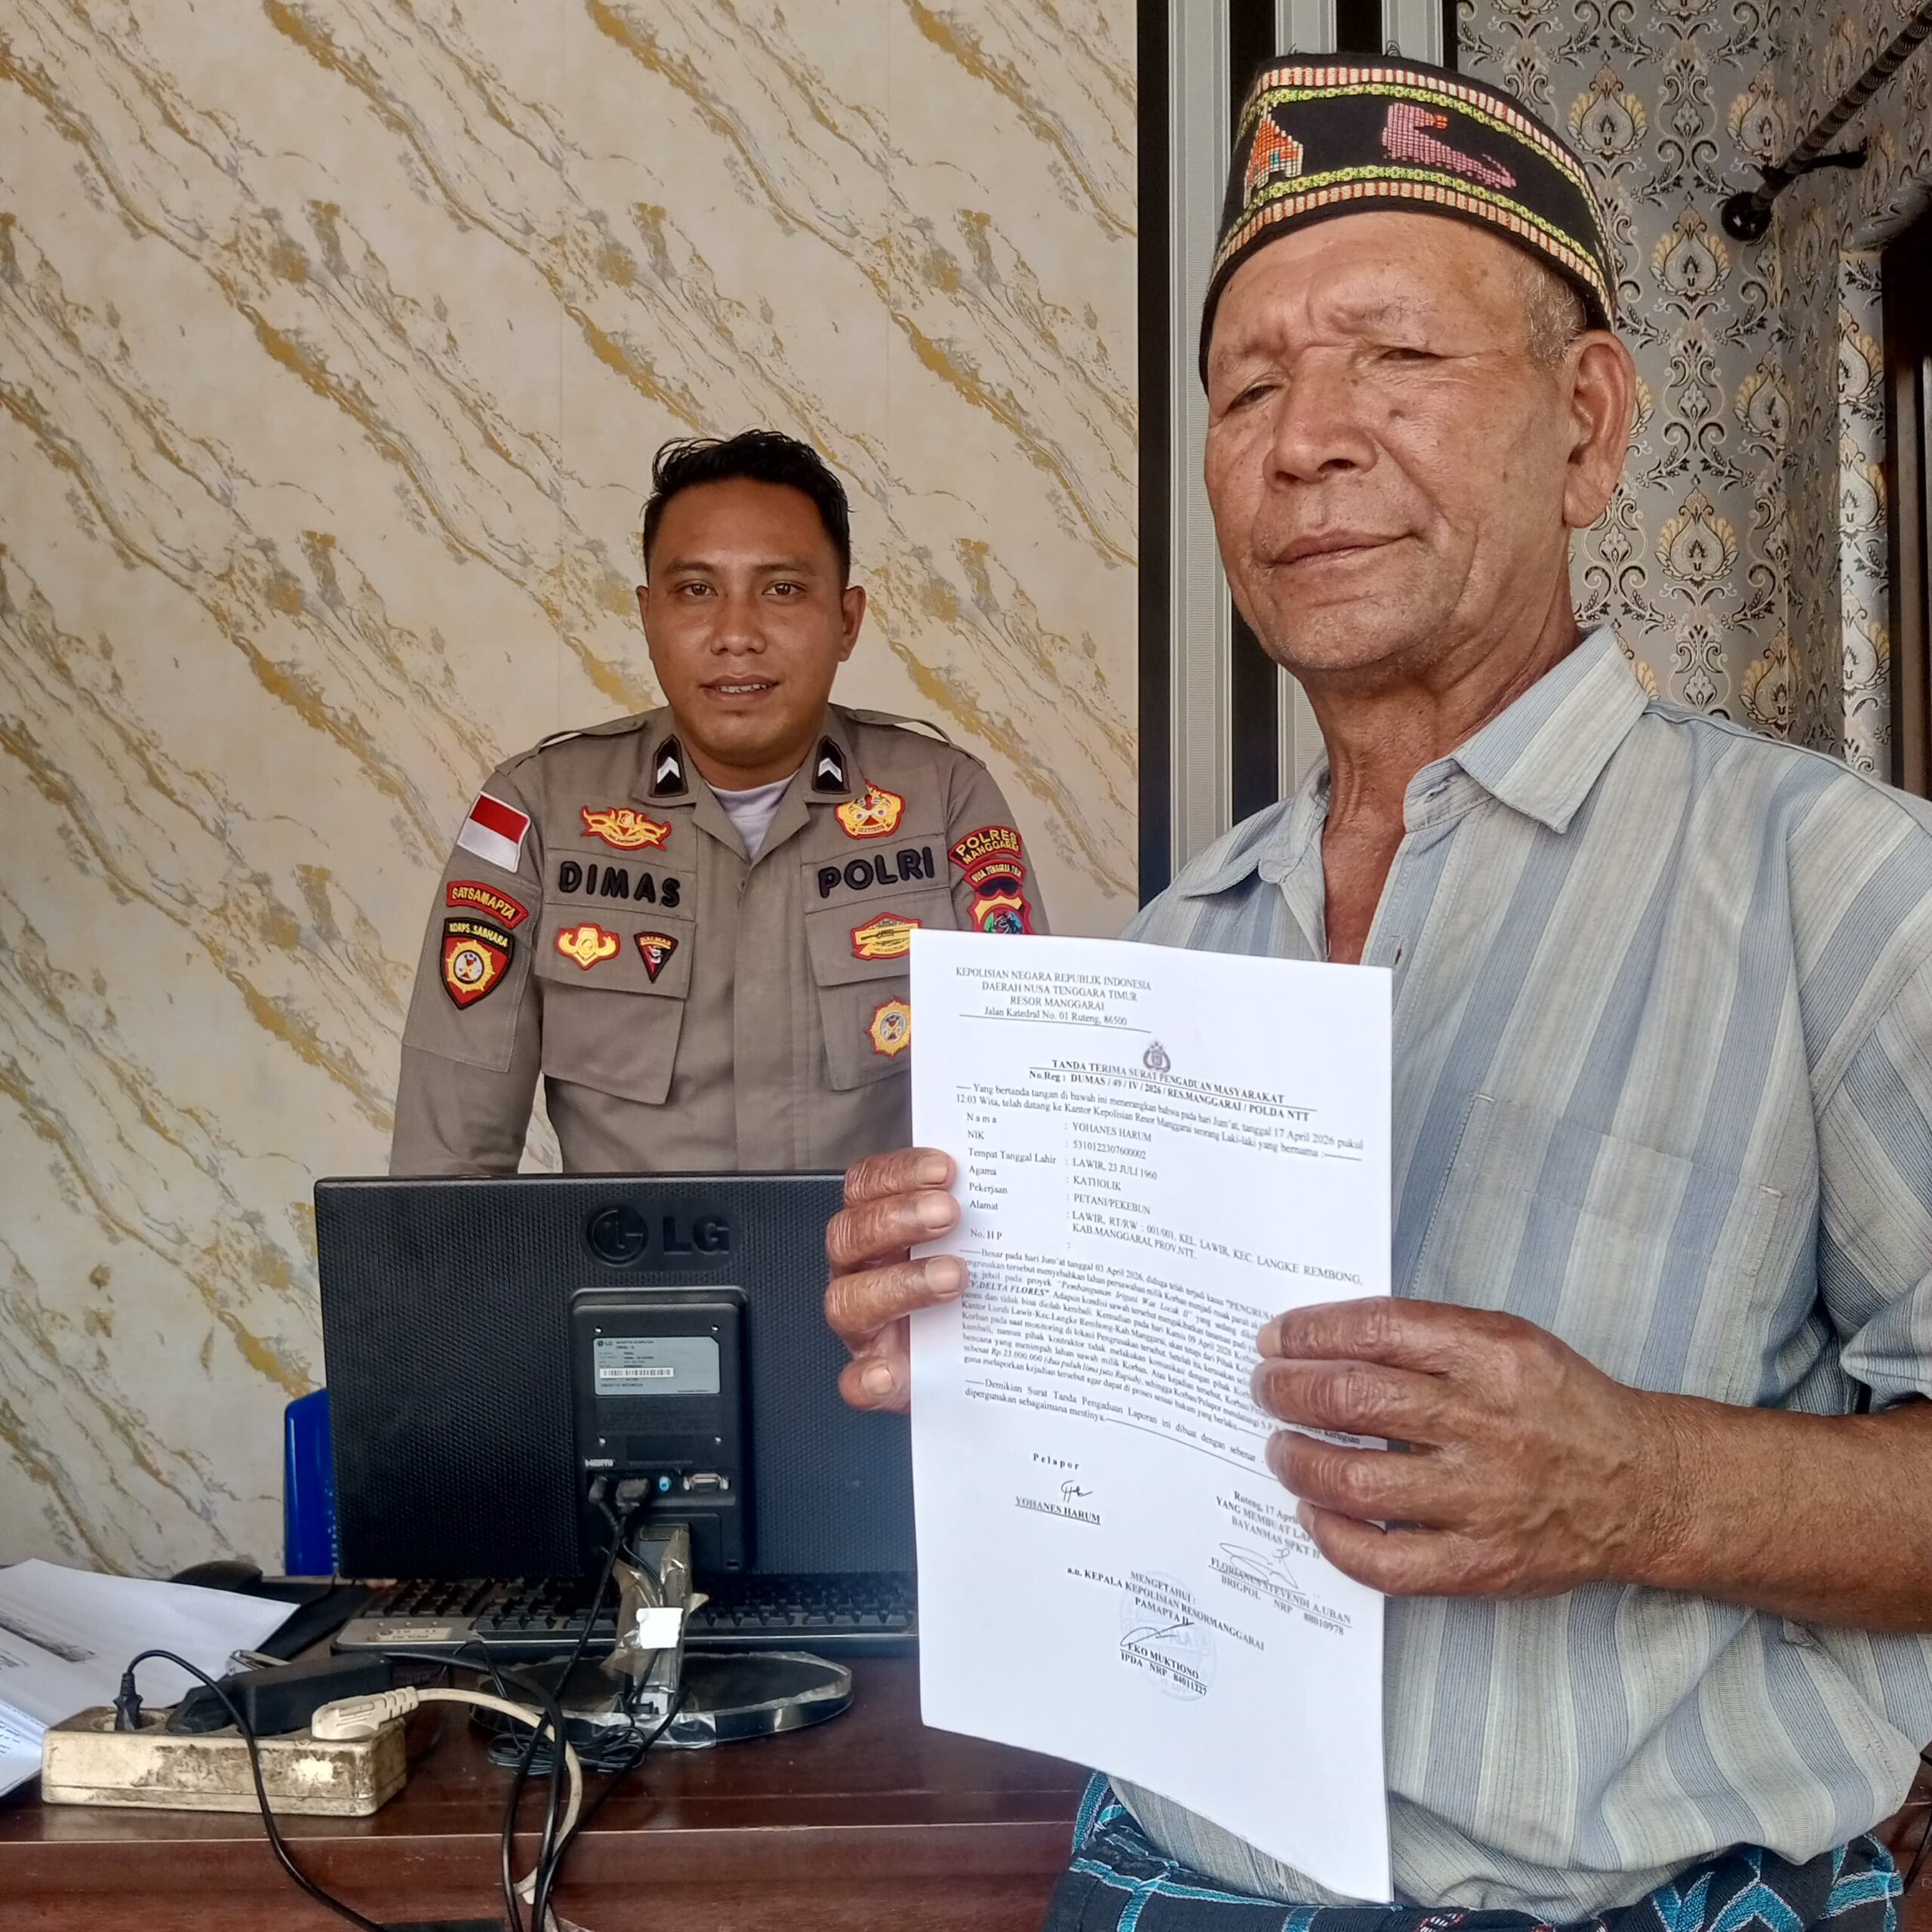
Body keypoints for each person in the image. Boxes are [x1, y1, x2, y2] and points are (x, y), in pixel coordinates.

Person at [823, 54, 1932, 1932]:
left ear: (1586, 426)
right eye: (1246, 386)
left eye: (1394, 356)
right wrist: (979, 1345)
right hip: (1165, 1884)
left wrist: (1640, 1483)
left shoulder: (1841, 886)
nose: (1302, 441)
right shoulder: (1167, 947)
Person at [391, 429, 1046, 1175]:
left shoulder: (944, 799)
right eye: (697, 590)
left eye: (782, 589)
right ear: (648, 618)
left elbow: (1026, 1110)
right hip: (631, 1257)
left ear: (846, 621)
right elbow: (446, 1171)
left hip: (877, 1254)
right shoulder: (538, 810)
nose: (737, 635)